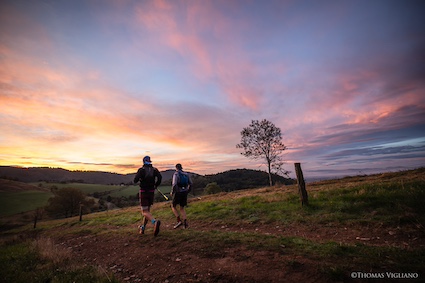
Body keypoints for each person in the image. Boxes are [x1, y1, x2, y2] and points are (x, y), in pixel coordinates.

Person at [134, 156, 162, 236]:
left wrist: (140, 180)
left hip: (143, 192)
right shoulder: (154, 170)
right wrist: (156, 185)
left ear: (143, 162)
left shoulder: (141, 170)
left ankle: (154, 222)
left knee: (144, 212)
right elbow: (160, 178)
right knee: (147, 212)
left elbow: (135, 180)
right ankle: (142, 228)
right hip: (151, 192)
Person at [170, 163, 192, 229]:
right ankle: (185, 223)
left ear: (176, 168)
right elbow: (191, 183)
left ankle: (179, 221)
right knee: (182, 208)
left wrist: (172, 192)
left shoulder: (176, 174)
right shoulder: (186, 174)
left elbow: (174, 184)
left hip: (178, 192)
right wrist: (188, 191)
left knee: (173, 206)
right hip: (184, 192)